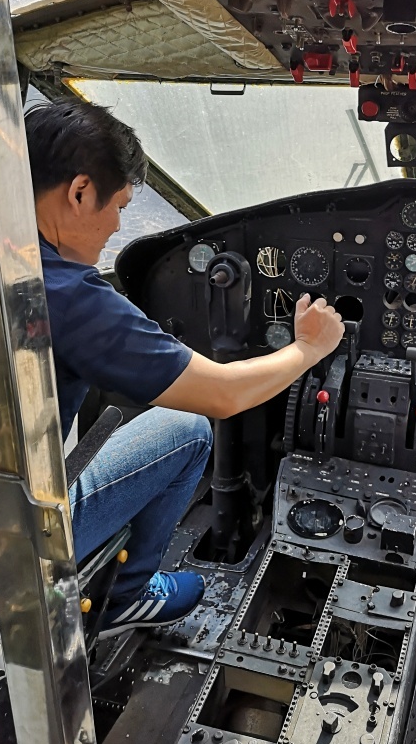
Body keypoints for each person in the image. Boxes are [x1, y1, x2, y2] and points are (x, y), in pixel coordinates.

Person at [25, 98, 344, 637]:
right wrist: (310, 348)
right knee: (189, 429)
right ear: (79, 192)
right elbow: (221, 394)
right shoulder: (63, 295)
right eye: (119, 206)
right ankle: (124, 598)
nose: (118, 227)